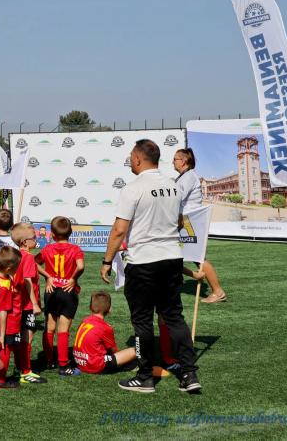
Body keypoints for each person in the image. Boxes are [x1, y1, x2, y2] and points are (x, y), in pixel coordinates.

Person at [100, 139, 201, 394]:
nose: (130, 161)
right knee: (174, 317)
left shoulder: (133, 188)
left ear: (138, 159)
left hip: (143, 262)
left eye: (131, 156)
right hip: (172, 259)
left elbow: (119, 230)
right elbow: (180, 222)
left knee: (142, 321)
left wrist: (107, 261)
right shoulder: (173, 186)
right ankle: (189, 374)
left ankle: (145, 377)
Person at [173, 148, 226, 303]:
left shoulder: (189, 176)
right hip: (185, 221)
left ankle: (218, 292)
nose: (172, 162)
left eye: (175, 159)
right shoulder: (184, 176)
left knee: (198, 258)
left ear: (184, 161)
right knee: (178, 254)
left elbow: (177, 197)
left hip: (188, 221)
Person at [36, 216, 84, 376]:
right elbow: (80, 266)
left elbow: (34, 263)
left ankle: (49, 361)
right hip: (68, 291)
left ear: (53, 234)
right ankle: (63, 365)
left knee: (50, 327)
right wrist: (73, 279)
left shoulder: (47, 249)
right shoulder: (75, 249)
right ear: (70, 232)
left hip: (51, 291)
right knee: (63, 330)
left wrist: (48, 276)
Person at [11, 223, 47, 384]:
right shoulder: (28, 257)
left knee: (20, 336)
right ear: (25, 242)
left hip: (18, 303)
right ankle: (25, 371)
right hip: (26, 305)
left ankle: (19, 366)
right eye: (34, 237)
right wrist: (35, 303)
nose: (36, 238)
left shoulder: (16, 255)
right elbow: (27, 281)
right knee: (27, 336)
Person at [73, 291, 137, 375]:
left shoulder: (85, 320)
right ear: (109, 309)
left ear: (90, 307)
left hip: (79, 362)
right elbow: (115, 351)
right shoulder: (105, 327)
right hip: (94, 366)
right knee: (135, 350)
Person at [0, 246, 24, 390]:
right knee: (6, 348)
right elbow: (4, 311)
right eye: (16, 267)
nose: (17, 270)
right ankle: (1, 380)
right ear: (9, 268)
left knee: (12, 346)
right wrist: (3, 335)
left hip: (2, 318)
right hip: (9, 321)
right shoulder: (4, 287)